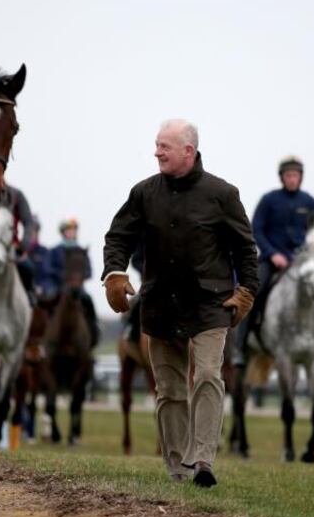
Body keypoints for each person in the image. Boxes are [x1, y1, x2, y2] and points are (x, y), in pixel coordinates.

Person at [102, 119, 258, 488]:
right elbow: (118, 236)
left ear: (188, 151)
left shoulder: (223, 193)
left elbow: (244, 249)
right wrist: (114, 273)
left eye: (164, 146)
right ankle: (177, 469)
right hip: (158, 304)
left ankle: (203, 459)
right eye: (156, 145)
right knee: (169, 389)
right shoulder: (143, 193)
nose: (157, 152)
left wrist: (247, 290)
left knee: (207, 376)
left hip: (209, 305)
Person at [234, 156, 314, 370]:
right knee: (254, 295)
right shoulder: (268, 200)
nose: (292, 179)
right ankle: (240, 349)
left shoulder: (309, 202)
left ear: (301, 177)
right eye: (288, 175)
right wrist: (272, 254)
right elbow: (256, 230)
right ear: (282, 177)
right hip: (273, 260)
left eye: (295, 175)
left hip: (302, 263)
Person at [48, 218, 100, 346]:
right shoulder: (55, 251)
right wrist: (64, 277)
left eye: (73, 230)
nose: (71, 233)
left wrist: (78, 278)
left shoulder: (81, 251)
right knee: (48, 302)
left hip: (78, 288)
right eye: (69, 230)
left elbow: (89, 271)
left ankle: (93, 330)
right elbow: (49, 268)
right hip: (60, 287)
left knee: (88, 300)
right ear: (63, 232)